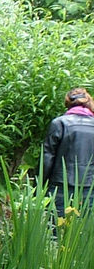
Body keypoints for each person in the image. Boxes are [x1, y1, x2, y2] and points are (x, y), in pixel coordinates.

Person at [42, 87, 94, 216]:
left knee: (56, 231)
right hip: (90, 187)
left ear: (68, 104)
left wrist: (40, 185)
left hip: (60, 186)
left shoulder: (59, 123)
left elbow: (47, 157)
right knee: (84, 231)